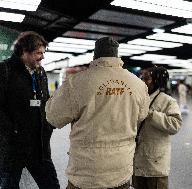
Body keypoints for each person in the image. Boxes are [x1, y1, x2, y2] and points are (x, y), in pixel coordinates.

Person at [45, 37, 150, 189]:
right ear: (117, 56)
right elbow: (141, 116)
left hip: (86, 174)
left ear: (95, 56)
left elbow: (53, 117)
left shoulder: (77, 83)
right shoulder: (138, 84)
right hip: (121, 170)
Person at [0, 31, 60, 189]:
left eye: (43, 53)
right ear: (24, 52)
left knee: (51, 185)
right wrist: (12, 132)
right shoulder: (5, 70)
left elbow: (45, 102)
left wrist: (48, 127)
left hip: (39, 146)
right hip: (12, 148)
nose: (42, 57)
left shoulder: (41, 73)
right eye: (38, 53)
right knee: (9, 185)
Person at [133, 67, 182, 189]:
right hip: (136, 162)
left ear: (157, 81)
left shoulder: (168, 101)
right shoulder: (137, 98)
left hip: (155, 164)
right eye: (141, 77)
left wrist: (151, 114)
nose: (142, 81)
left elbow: (175, 125)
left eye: (147, 78)